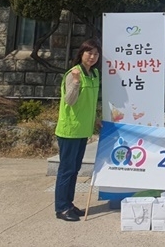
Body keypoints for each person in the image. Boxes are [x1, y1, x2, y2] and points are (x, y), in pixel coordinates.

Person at [54, 39, 102, 222]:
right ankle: (61, 208)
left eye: (96, 54)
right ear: (81, 54)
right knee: (66, 170)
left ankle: (69, 203)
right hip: (70, 130)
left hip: (83, 130)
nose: (92, 57)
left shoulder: (94, 74)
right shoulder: (73, 73)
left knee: (74, 169)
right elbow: (70, 100)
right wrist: (75, 82)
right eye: (89, 53)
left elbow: (89, 102)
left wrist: (95, 120)